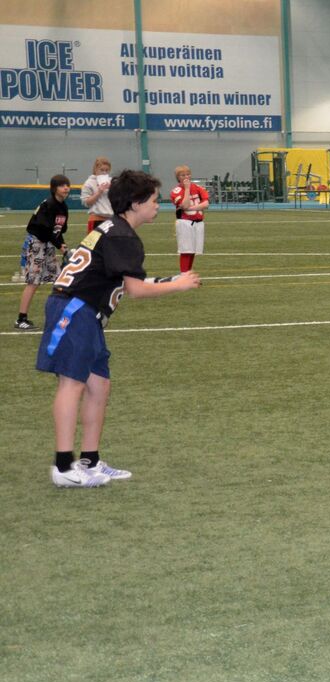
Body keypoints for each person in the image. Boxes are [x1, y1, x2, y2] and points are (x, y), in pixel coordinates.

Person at [36, 170, 202, 488]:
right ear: (136, 203)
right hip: (75, 309)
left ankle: (90, 461)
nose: (158, 205)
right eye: (153, 200)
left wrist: (170, 280)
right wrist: (178, 286)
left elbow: (123, 281)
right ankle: (63, 466)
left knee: (99, 386)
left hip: (87, 313)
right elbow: (136, 290)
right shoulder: (123, 236)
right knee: (72, 384)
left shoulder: (113, 229)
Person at [14, 175, 71, 330]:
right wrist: (60, 246)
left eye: (67, 185)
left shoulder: (63, 207)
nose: (66, 187)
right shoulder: (48, 205)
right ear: (54, 188)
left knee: (58, 278)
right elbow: (45, 230)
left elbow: (58, 231)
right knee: (33, 281)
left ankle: (61, 315)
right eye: (62, 185)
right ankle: (21, 319)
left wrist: (63, 246)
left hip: (49, 244)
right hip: (37, 243)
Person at [170, 165, 209, 273]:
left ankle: (188, 273)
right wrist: (187, 189)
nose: (186, 177)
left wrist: (191, 208)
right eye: (183, 175)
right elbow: (185, 204)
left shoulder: (198, 188)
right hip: (185, 222)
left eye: (188, 174)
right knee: (186, 250)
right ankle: (184, 274)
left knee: (193, 251)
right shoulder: (176, 191)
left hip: (198, 222)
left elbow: (206, 204)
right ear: (178, 177)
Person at [80, 157, 113, 233]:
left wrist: (114, 189)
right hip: (96, 218)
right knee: (94, 241)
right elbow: (86, 202)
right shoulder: (89, 183)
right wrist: (99, 192)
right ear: (95, 169)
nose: (104, 172)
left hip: (110, 219)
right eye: (102, 170)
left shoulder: (112, 181)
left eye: (107, 170)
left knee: (111, 241)